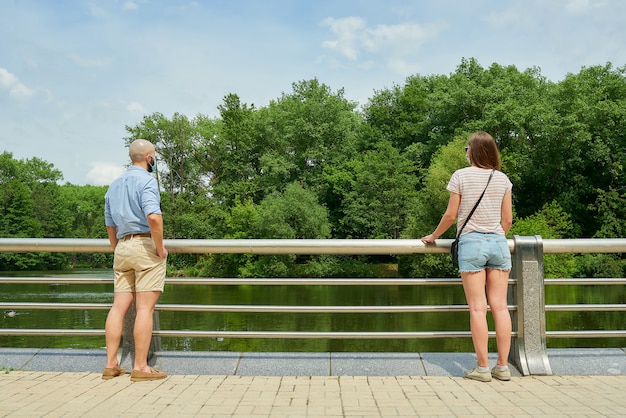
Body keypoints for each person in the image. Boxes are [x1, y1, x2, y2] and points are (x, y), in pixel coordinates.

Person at [421, 131, 513, 382]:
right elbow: (507, 220)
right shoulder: (503, 179)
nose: (465, 152)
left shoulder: (460, 176)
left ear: (473, 151)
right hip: (498, 243)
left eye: (466, 148)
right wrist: (493, 236)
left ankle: (482, 369)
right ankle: (502, 367)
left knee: (477, 307)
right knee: (501, 307)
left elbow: (451, 216)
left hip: (472, 244)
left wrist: (433, 235)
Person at [102, 139, 168, 382]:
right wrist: (159, 248)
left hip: (122, 247)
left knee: (118, 307)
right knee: (144, 308)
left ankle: (111, 364)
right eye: (155, 156)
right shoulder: (147, 181)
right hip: (143, 245)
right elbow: (153, 217)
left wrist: (117, 248)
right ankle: (140, 367)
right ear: (149, 157)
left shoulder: (115, 184)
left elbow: (110, 224)